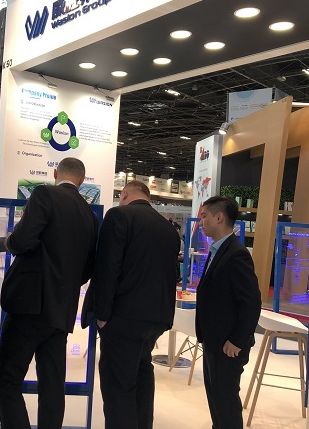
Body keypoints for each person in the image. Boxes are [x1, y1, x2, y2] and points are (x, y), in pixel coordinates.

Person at [0, 157, 98, 429]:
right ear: (81, 180)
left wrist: (11, 241)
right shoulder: (89, 215)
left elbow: (22, 240)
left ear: (55, 173)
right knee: (52, 385)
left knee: (6, 379)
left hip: (29, 305)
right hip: (62, 310)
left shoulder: (44, 194)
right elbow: (87, 268)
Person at [81, 180, 180, 429]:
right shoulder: (168, 228)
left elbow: (108, 267)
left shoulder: (119, 216)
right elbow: (171, 275)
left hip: (123, 318)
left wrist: (102, 314)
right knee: (142, 375)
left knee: (118, 387)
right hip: (156, 319)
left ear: (125, 194)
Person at [196, 196, 261, 429]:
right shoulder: (218, 250)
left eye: (204, 216)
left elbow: (251, 302)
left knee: (225, 404)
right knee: (217, 401)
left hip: (228, 345)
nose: (201, 222)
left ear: (219, 217)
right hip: (214, 340)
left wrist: (237, 340)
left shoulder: (236, 253)